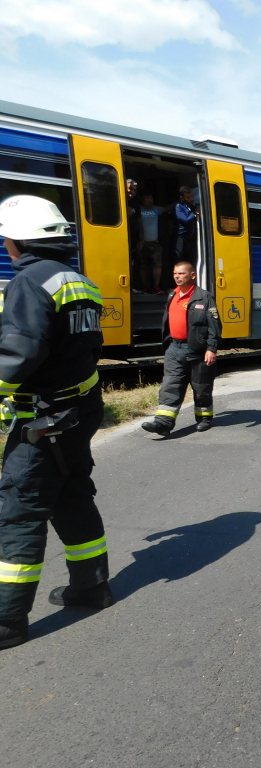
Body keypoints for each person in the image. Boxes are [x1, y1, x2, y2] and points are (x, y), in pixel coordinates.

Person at [0, 196, 113, 649]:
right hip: (78, 411)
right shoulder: (80, 281)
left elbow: (17, 357)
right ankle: (91, 587)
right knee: (71, 495)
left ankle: (7, 621)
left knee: (21, 512)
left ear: (15, 241)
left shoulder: (28, 282)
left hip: (42, 420)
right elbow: (90, 349)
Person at [142, 262, 220, 436]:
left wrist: (211, 349)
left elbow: (214, 325)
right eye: (175, 273)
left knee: (201, 388)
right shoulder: (172, 295)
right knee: (170, 385)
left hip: (198, 351)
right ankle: (163, 423)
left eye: (181, 273)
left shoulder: (204, 297)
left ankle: (204, 418)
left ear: (192, 275)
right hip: (174, 349)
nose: (177, 276)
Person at [138, 191, 164, 294]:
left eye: (151, 198)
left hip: (155, 242)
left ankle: (156, 287)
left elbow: (167, 208)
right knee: (142, 265)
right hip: (142, 242)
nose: (149, 201)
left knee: (157, 265)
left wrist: (180, 200)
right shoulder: (138, 209)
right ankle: (145, 287)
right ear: (142, 199)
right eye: (146, 198)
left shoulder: (156, 209)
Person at [175, 187, 200, 264]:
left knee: (192, 259)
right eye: (188, 197)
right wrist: (194, 214)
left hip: (192, 238)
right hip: (182, 237)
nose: (191, 199)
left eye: (192, 196)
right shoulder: (179, 206)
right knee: (180, 259)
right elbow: (186, 220)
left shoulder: (193, 206)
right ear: (182, 198)